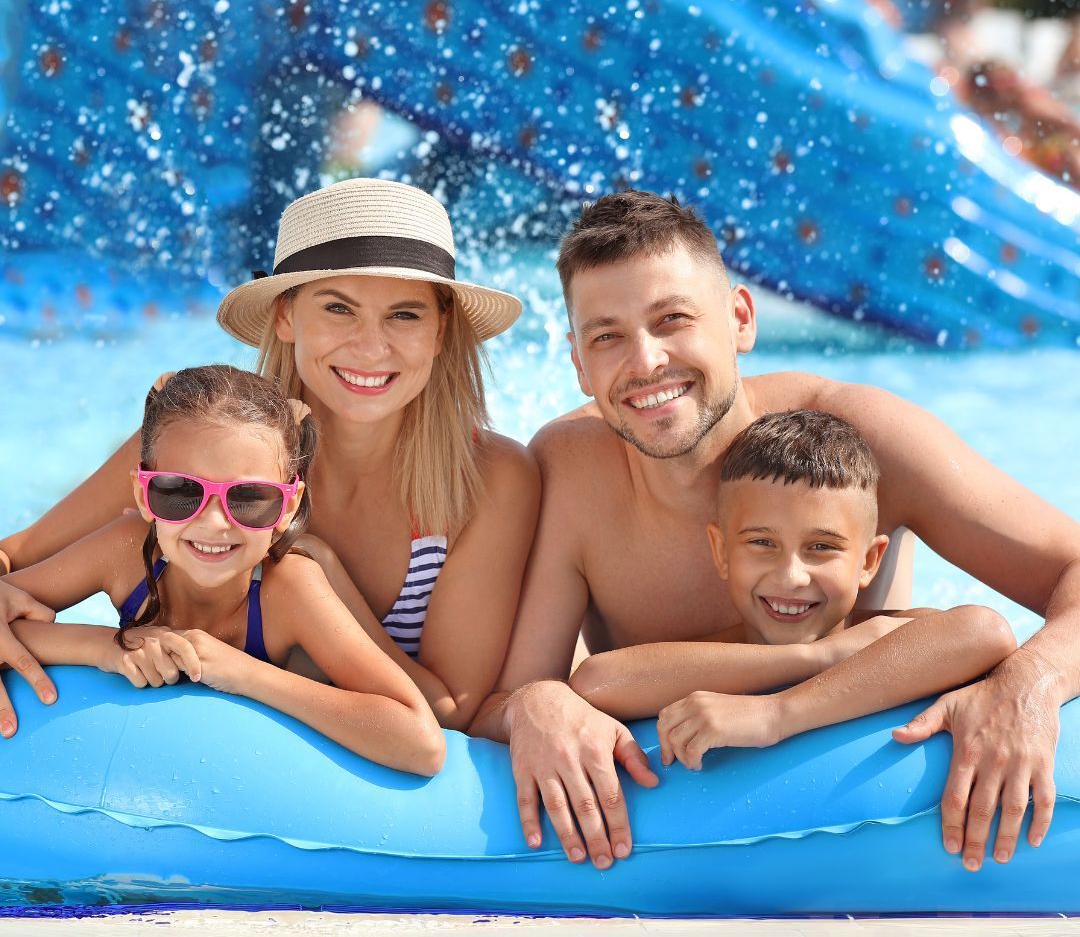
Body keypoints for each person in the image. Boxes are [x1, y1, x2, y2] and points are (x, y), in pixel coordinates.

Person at [471, 189, 1080, 875]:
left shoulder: (858, 442)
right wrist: (537, 704)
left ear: (739, 319)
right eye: (607, 336)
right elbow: (500, 699)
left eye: (672, 319)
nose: (644, 364)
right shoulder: (569, 470)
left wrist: (1030, 684)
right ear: (579, 365)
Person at [0, 178, 540, 734]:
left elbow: (448, 715)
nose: (371, 347)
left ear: (441, 328)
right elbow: (14, 559)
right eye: (338, 308)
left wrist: (325, 574)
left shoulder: (490, 481)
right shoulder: (201, 448)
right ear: (285, 316)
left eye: (404, 315)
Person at [2, 365, 444, 775]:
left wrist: (245, 674)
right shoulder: (125, 548)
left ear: (288, 506)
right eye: (178, 492)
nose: (214, 523)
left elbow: (421, 743)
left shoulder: (288, 587)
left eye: (250, 497)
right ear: (143, 494)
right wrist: (109, 646)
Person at [567, 409, 1015, 768]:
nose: (790, 576)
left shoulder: (885, 637)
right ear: (721, 552)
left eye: (821, 547)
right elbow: (595, 681)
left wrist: (775, 714)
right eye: (762, 543)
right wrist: (820, 656)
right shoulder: (717, 655)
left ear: (869, 562)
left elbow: (985, 631)